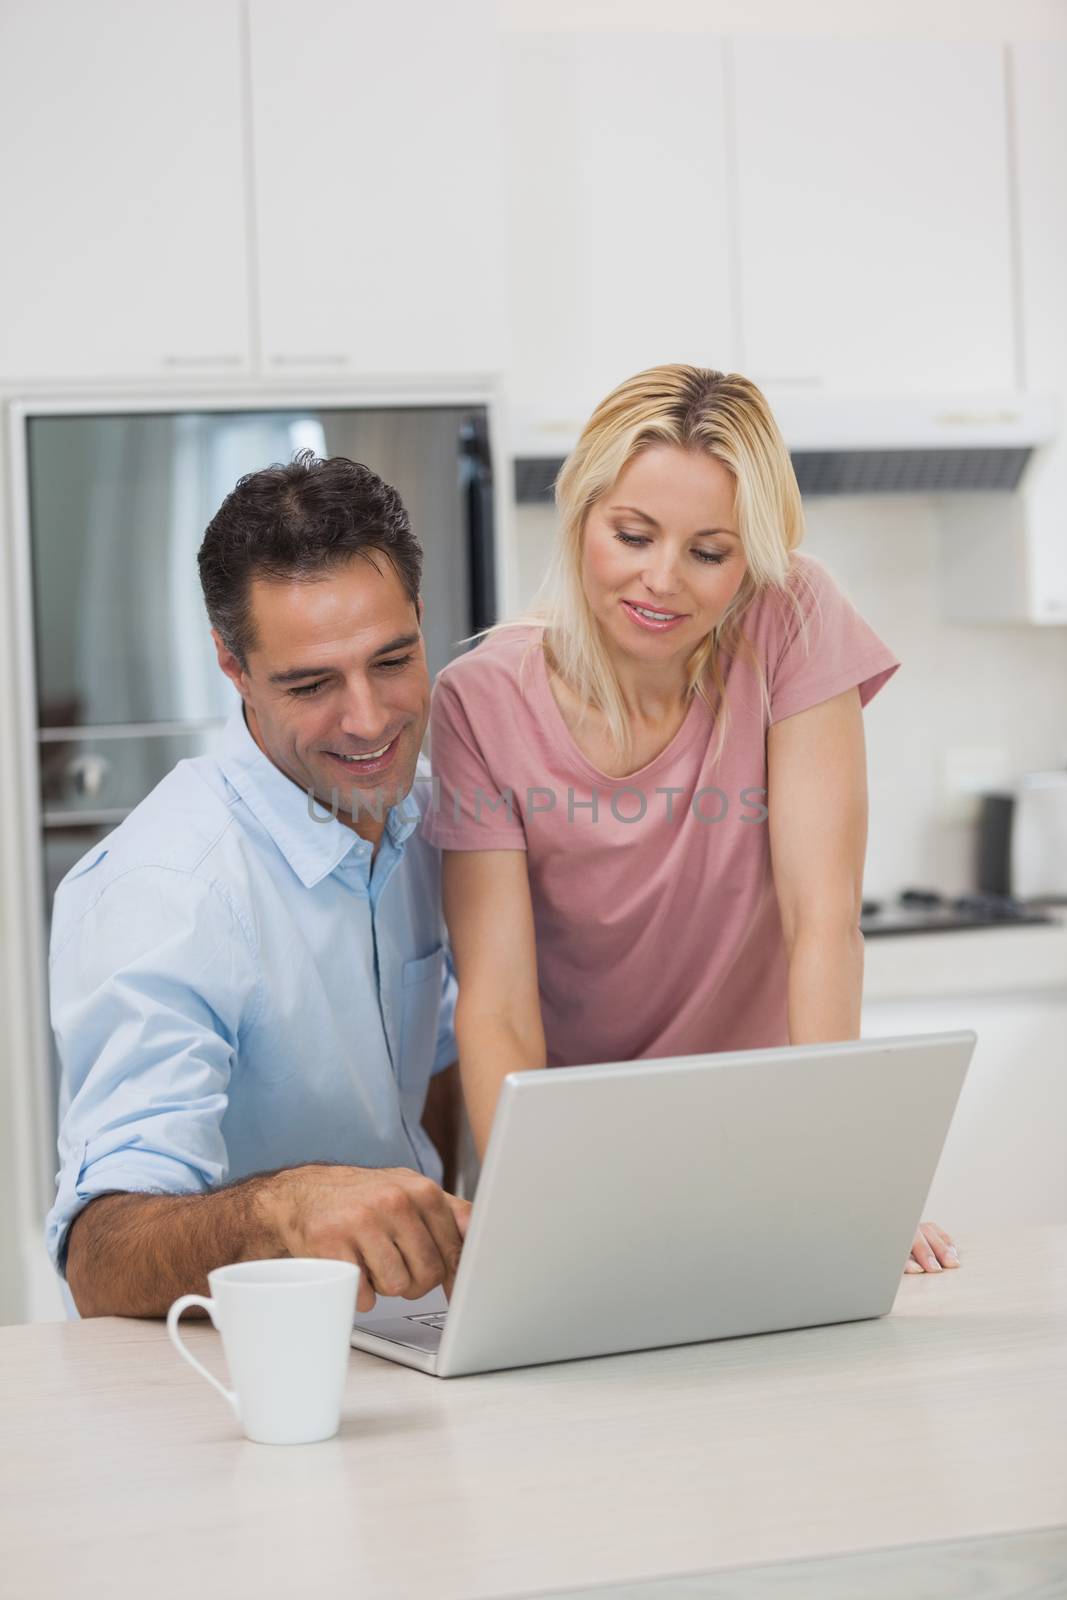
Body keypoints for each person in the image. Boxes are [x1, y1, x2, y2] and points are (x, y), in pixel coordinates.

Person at [425, 365, 958, 1277]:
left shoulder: (790, 618)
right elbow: (500, 1002)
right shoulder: (479, 702)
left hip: (760, 1130)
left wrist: (840, 1175)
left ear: (750, 557)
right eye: (631, 535)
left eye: (708, 553)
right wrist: (538, 1208)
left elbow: (819, 924)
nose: (660, 581)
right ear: (580, 512)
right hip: (573, 1147)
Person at [46, 451, 469, 1318]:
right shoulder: (168, 888)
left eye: (392, 660)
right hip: (232, 1366)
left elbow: (434, 1055)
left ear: (422, 619)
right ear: (231, 665)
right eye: (311, 684)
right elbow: (99, 1253)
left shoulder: (431, 817)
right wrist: (284, 1208)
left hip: (405, 1336)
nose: (368, 719)